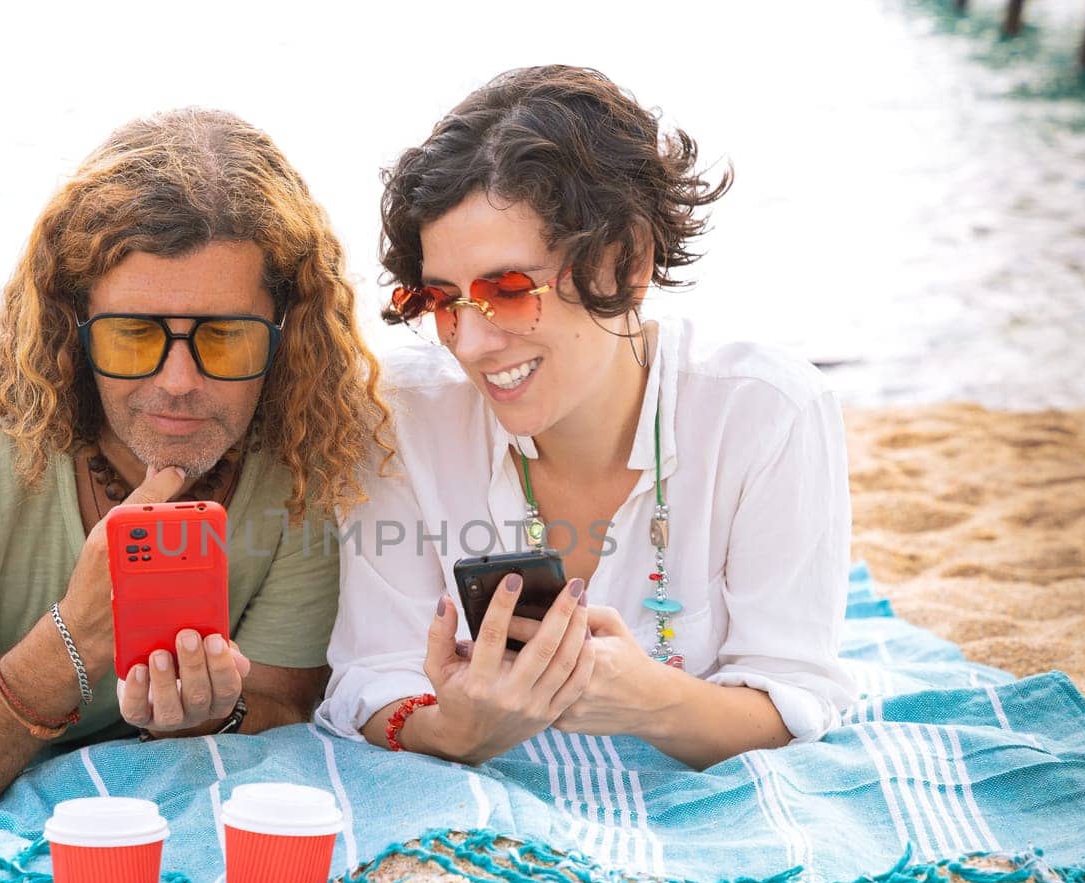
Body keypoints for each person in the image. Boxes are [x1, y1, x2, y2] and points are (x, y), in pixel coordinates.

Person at [0, 108, 390, 805]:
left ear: (285, 331)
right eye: (132, 336)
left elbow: (280, 699)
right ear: (73, 323)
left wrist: (215, 716)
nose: (179, 382)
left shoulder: (308, 442)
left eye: (225, 338)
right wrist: (78, 638)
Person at [315, 66, 854, 768]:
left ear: (624, 264)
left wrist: (655, 701)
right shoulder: (401, 414)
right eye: (443, 300)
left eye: (508, 292)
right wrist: (451, 730)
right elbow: (371, 675)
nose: (470, 345)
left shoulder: (766, 413)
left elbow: (795, 698)